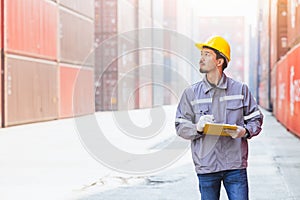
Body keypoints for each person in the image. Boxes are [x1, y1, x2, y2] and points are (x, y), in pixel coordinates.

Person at [175, 35, 263, 200]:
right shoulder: (191, 93)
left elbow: (256, 119)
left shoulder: (240, 90)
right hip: (207, 167)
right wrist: (197, 128)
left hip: (235, 166)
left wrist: (244, 131)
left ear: (219, 61)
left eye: (207, 54)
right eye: (202, 54)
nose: (201, 58)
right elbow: (180, 126)